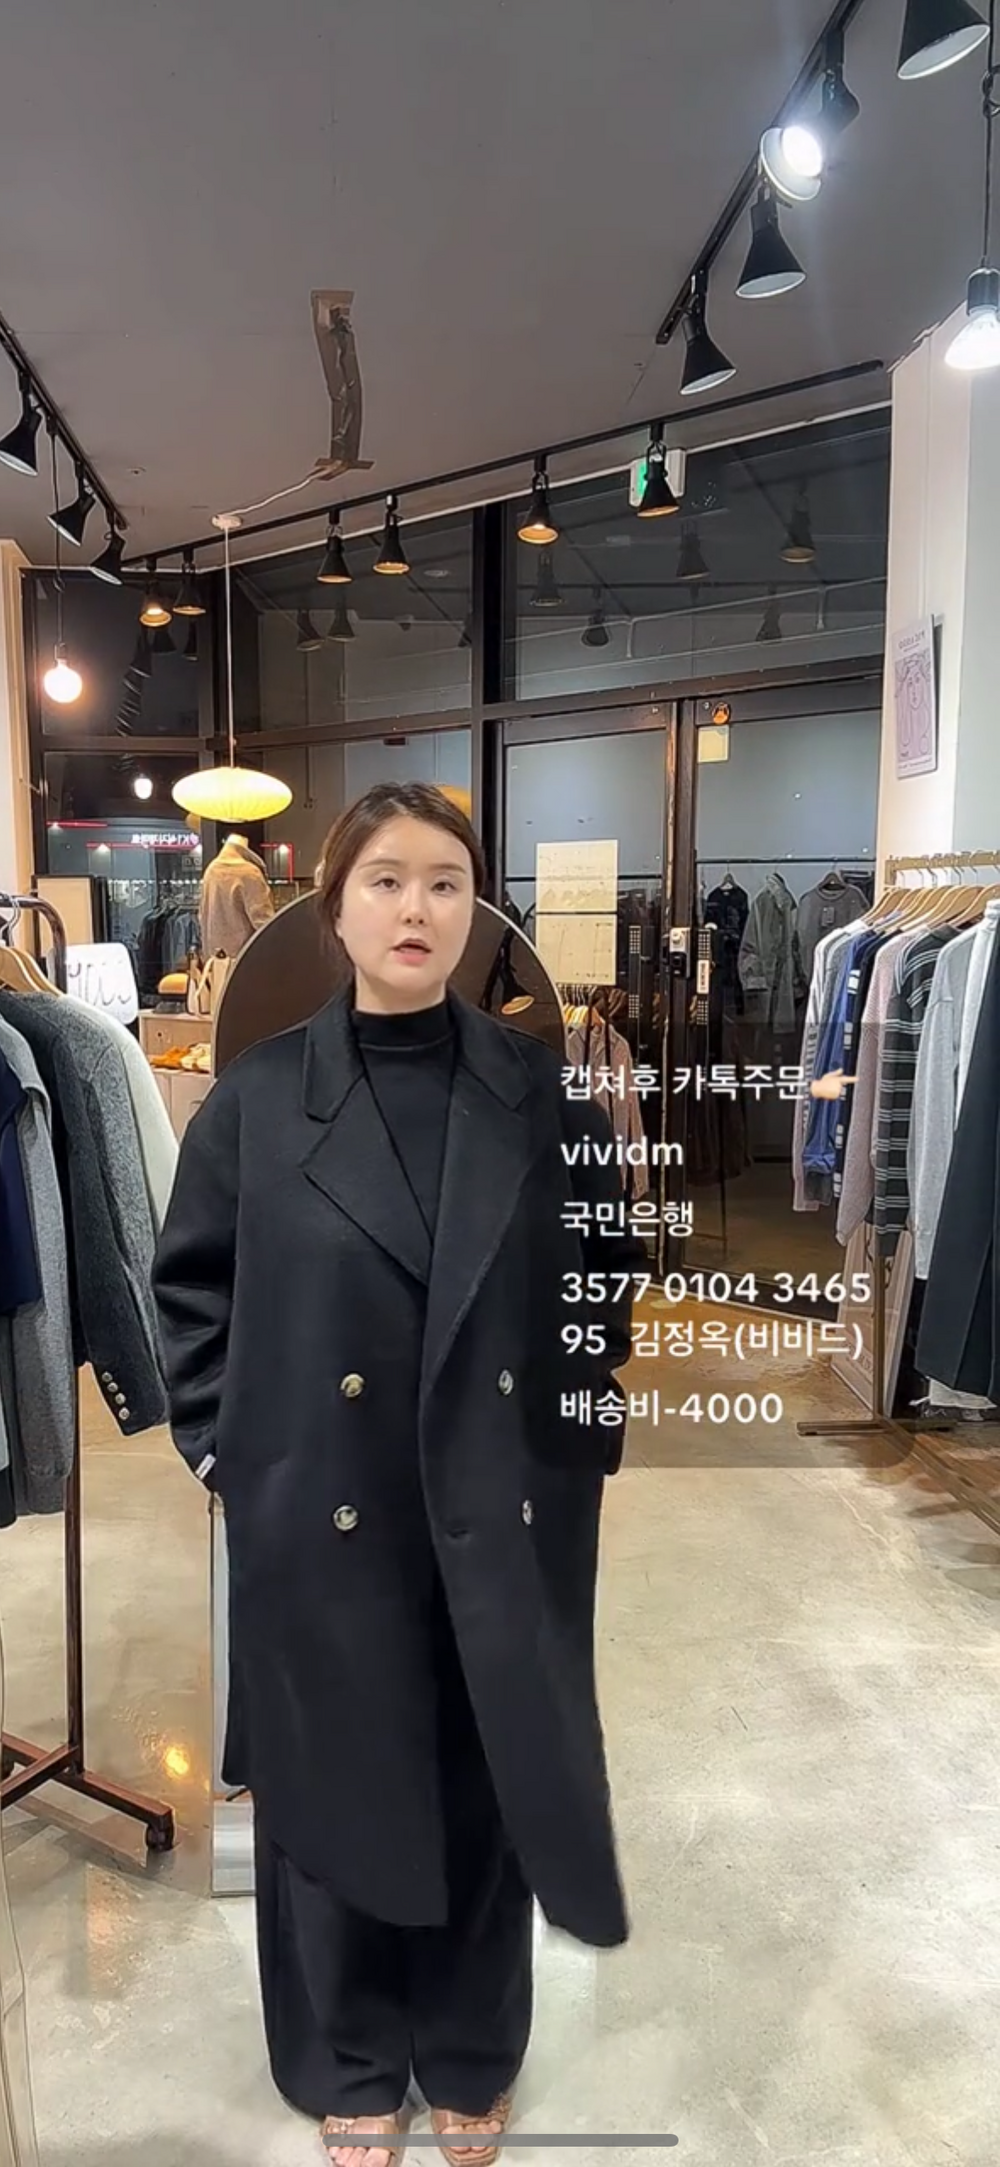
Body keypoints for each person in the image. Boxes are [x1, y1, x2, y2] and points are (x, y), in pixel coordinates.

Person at [152, 782, 642, 2167]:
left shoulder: (541, 1094)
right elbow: (190, 1296)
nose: (415, 908)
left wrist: (572, 1443)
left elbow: (603, 1281)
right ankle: (350, 2055)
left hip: (500, 1506)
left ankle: (471, 2051)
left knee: (486, 1774)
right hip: (322, 1504)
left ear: (477, 908)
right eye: (385, 880)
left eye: (444, 882)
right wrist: (229, 1450)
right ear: (336, 905)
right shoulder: (257, 1101)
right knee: (333, 1784)